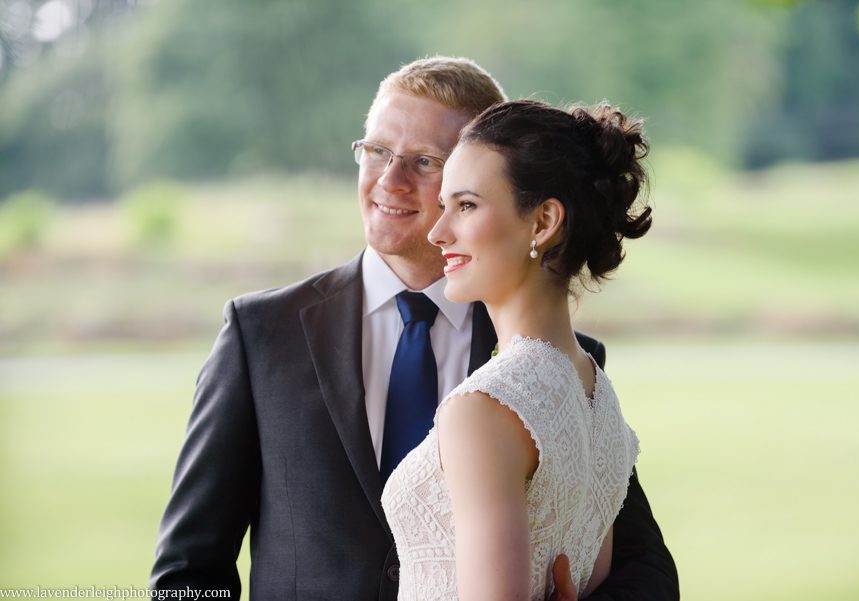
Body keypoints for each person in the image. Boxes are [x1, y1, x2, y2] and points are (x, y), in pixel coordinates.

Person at [150, 56, 678, 600]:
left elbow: (644, 570)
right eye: (376, 151)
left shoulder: (558, 366)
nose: (389, 180)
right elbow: (187, 572)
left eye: (425, 161)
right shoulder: (259, 334)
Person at [383, 98, 651, 601]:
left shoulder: (484, 410)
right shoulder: (601, 399)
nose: (438, 233)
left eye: (466, 206)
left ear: (544, 221)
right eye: (445, 207)